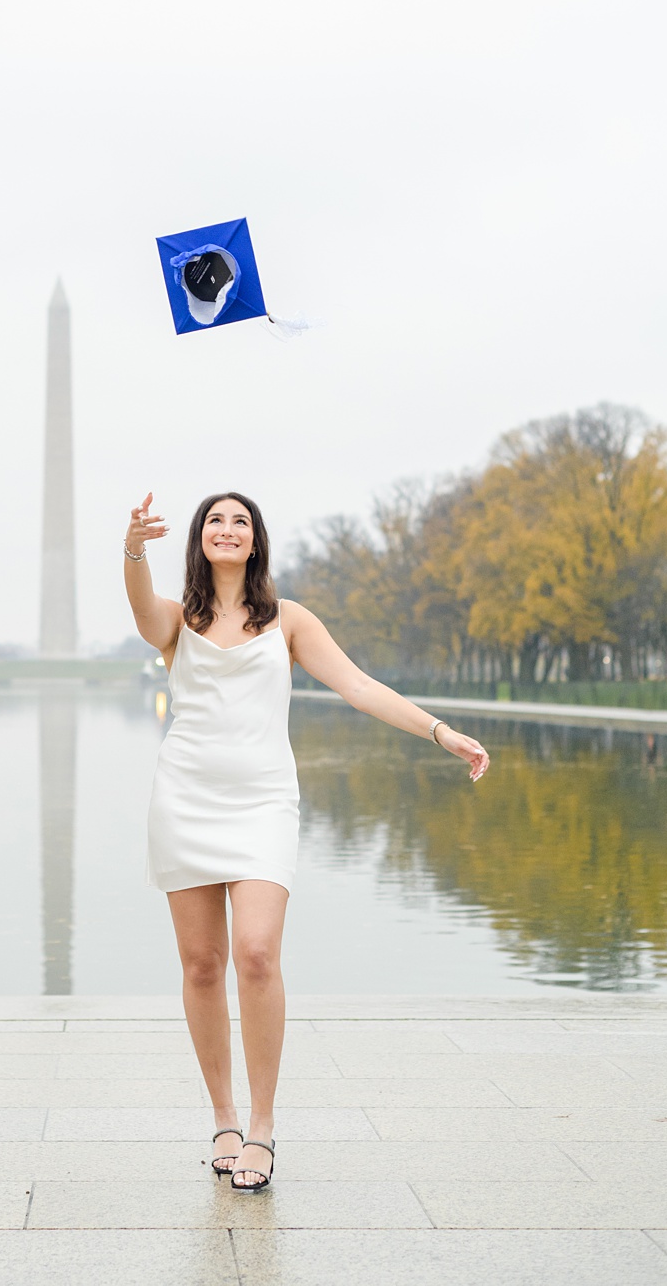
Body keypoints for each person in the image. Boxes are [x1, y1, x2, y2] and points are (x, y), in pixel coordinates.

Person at [123, 489, 487, 1194]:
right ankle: (224, 1119)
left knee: (257, 954)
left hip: (262, 800)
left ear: (256, 541)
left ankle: (262, 1125)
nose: (228, 530)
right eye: (215, 521)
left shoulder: (289, 621)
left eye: (241, 521)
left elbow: (357, 686)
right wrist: (133, 547)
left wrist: (440, 731)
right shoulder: (176, 620)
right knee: (203, 966)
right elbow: (140, 609)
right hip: (185, 799)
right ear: (198, 540)